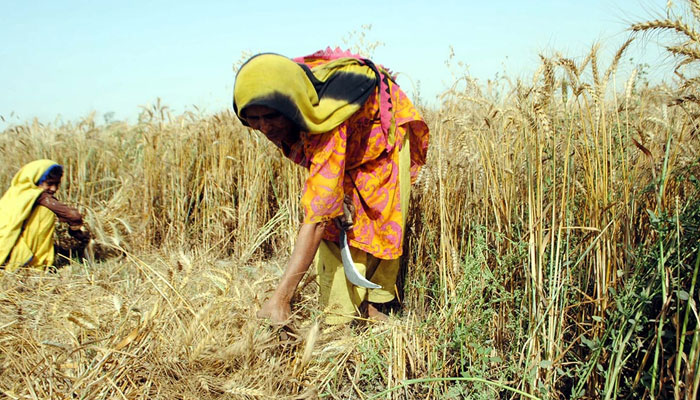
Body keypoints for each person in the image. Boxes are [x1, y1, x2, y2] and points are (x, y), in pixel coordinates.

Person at [233, 48, 429, 324]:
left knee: (381, 214)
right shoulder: (292, 104)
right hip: (348, 134)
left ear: (289, 108)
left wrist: (281, 298)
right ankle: (340, 314)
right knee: (337, 217)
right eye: (254, 119)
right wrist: (335, 192)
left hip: (382, 133)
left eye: (271, 117)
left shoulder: (326, 120)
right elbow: (316, 171)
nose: (264, 128)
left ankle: (375, 306)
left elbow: (316, 220)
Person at [0, 159, 89, 272]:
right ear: (36, 180)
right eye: (49, 184)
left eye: (57, 184)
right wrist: (77, 231)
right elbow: (73, 215)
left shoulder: (15, 193)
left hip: (6, 245)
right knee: (45, 210)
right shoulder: (39, 196)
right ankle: (31, 264)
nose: (54, 189)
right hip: (8, 248)